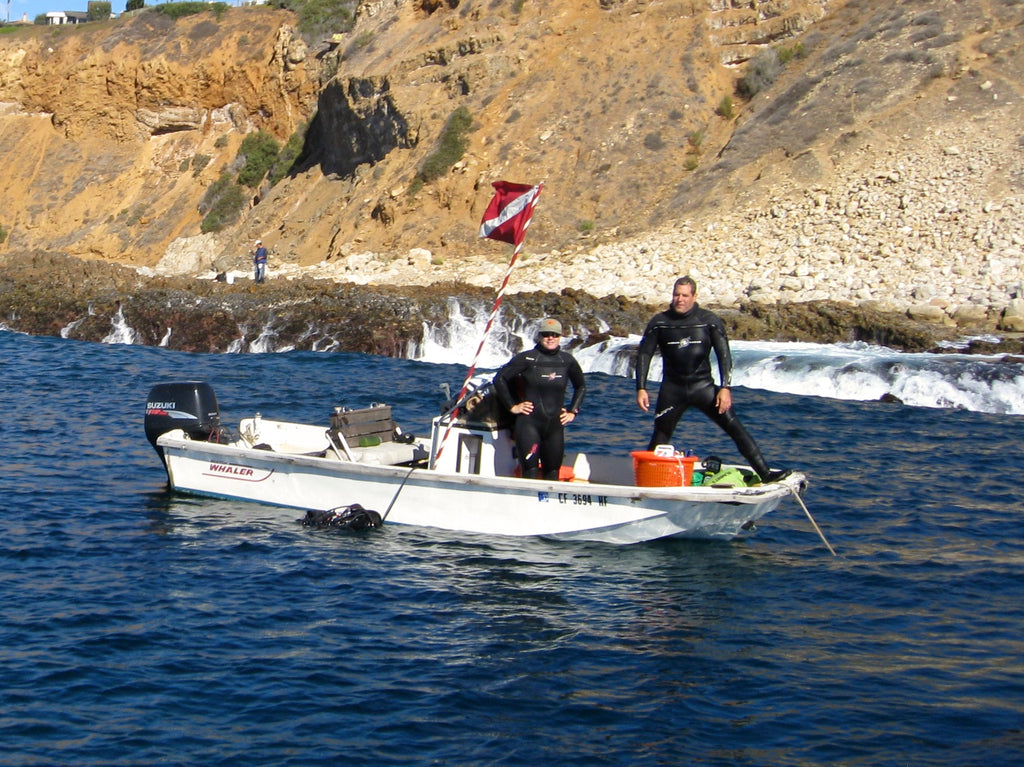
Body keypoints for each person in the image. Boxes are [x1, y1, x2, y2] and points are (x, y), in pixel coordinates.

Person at [635, 276, 790, 483]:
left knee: (735, 428)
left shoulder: (708, 320)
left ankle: (765, 473)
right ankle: (647, 481)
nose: (680, 299)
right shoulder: (660, 322)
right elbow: (644, 354)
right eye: (676, 295)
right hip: (672, 390)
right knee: (660, 436)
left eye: (685, 295)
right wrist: (641, 388)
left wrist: (725, 388)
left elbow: (724, 354)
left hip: (704, 388)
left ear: (694, 296)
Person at [494, 318, 586, 480]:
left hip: (555, 427)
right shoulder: (527, 358)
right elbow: (500, 379)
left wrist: (573, 411)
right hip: (529, 424)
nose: (550, 338)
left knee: (552, 473)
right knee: (530, 471)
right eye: (546, 335)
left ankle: (547, 503)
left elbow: (581, 387)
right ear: (539, 336)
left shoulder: (566, 360)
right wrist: (513, 406)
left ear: (560, 337)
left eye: (555, 335)